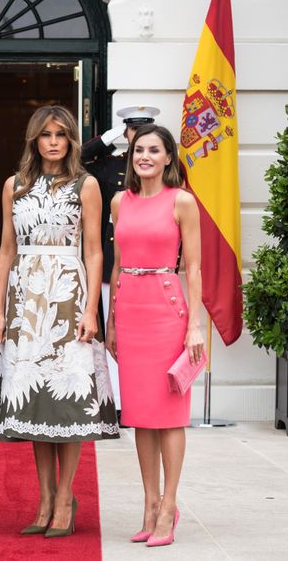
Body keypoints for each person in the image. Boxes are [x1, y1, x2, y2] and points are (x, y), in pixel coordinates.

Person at [0, 105, 119, 538]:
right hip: (24, 301)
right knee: (34, 404)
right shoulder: (14, 186)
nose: (53, 141)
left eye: (61, 134)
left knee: (67, 403)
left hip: (68, 298)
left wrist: (90, 311)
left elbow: (95, 251)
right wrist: (0, 310)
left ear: (71, 141)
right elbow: (6, 251)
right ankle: (43, 498)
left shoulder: (87, 185)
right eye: (46, 134)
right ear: (34, 139)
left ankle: (66, 497)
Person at [105, 124, 204, 548]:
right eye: (139, 149)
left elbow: (194, 268)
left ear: (168, 158)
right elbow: (116, 263)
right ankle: (149, 503)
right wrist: (110, 318)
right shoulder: (118, 202)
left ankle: (170, 505)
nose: (144, 155)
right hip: (129, 309)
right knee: (140, 415)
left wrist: (195, 325)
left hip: (167, 310)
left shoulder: (182, 201)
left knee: (169, 415)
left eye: (154, 150)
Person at [80, 104, 160, 420]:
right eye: (132, 129)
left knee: (142, 338)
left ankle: (140, 400)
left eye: (143, 129)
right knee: (109, 333)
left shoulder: (161, 165)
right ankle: (115, 403)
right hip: (113, 260)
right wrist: (108, 138)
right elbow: (76, 160)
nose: (137, 136)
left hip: (149, 264)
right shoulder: (108, 166)